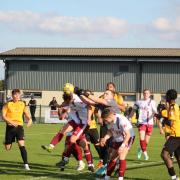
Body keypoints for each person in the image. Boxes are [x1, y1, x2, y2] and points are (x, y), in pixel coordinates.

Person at [100, 108, 135, 180]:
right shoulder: (109, 121)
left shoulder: (121, 120)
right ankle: (106, 178)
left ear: (110, 116)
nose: (105, 122)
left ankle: (120, 178)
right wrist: (105, 138)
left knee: (122, 155)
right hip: (117, 139)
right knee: (113, 158)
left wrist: (122, 146)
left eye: (106, 120)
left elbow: (128, 135)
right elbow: (110, 132)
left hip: (128, 138)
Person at [2, 89, 32, 170]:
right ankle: (6, 142)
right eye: (15, 94)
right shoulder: (8, 104)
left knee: (21, 145)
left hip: (19, 127)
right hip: (10, 128)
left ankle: (26, 165)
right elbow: (3, 116)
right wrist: (10, 121)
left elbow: (27, 114)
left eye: (18, 95)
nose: (17, 96)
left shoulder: (22, 104)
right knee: (7, 148)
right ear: (12, 95)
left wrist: (30, 119)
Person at [129, 89, 157, 160]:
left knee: (146, 142)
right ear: (143, 94)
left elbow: (154, 111)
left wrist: (156, 114)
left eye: (147, 93)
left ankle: (140, 149)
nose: (145, 94)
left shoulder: (152, 102)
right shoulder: (139, 102)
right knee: (142, 138)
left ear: (150, 94)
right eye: (144, 93)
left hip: (150, 123)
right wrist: (129, 117)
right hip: (141, 123)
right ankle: (145, 154)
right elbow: (133, 110)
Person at [160, 89, 180, 180]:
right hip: (178, 134)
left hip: (175, 135)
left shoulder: (172, 107)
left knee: (164, 154)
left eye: (166, 96)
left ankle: (174, 177)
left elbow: (171, 123)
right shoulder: (175, 106)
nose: (165, 97)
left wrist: (161, 119)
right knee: (178, 157)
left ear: (169, 97)